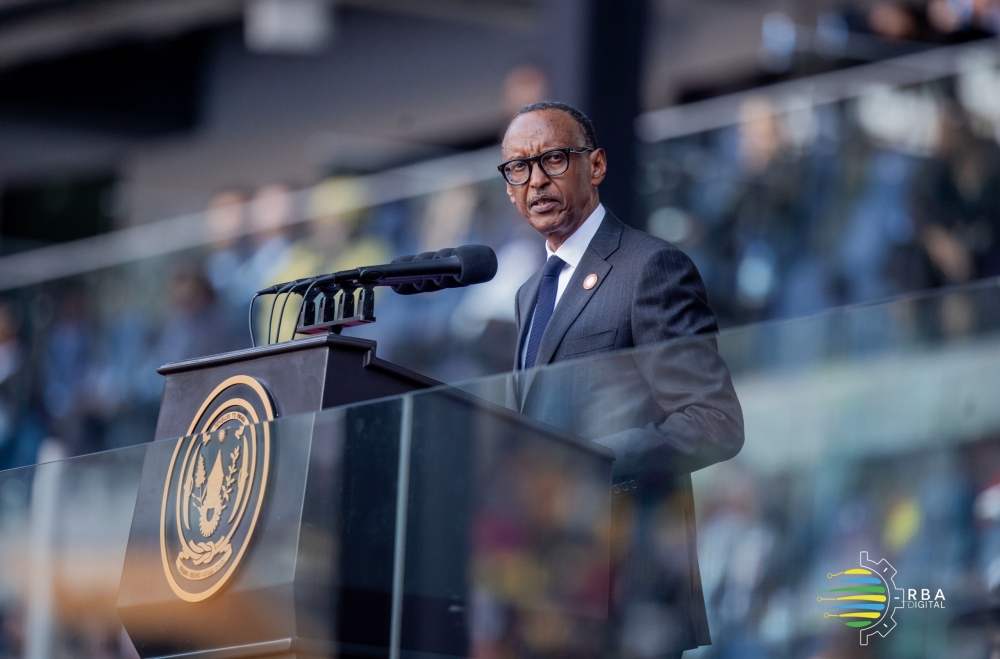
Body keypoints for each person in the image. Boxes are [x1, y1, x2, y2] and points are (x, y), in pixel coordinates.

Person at [501, 101, 745, 658]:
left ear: (597, 165)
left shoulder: (649, 267)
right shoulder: (528, 295)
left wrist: (587, 465)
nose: (536, 180)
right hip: (552, 600)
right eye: (519, 168)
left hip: (631, 590)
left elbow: (715, 422)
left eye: (554, 159)